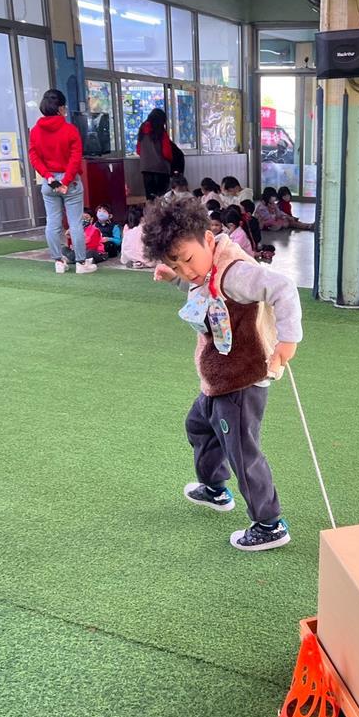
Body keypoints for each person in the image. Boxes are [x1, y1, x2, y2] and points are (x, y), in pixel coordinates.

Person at [142, 197, 302, 551]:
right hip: (218, 378)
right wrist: (175, 278)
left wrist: (288, 339)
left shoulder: (235, 273)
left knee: (243, 453)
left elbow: (283, 288)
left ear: (208, 240)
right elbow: (200, 288)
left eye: (187, 260)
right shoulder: (205, 268)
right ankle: (214, 489)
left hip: (241, 380)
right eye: (175, 264)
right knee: (199, 426)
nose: (187, 270)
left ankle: (269, 524)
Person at [28, 88, 96, 275]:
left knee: (52, 223)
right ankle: (81, 263)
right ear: (60, 108)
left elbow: (34, 157)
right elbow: (75, 158)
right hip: (70, 182)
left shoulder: (35, 131)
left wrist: (49, 178)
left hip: (48, 182)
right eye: (64, 107)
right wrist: (65, 181)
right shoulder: (70, 130)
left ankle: (58, 261)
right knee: (75, 223)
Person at [136, 108, 173, 200]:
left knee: (150, 198)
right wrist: (171, 161)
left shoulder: (142, 131)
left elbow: (138, 150)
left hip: (146, 169)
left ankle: (151, 210)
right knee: (162, 197)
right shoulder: (161, 132)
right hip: (161, 169)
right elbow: (167, 152)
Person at [120, 205, 152, 269]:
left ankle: (137, 262)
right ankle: (140, 262)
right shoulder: (147, 230)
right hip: (145, 260)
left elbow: (123, 252)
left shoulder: (128, 232)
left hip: (127, 259)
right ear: (142, 218)